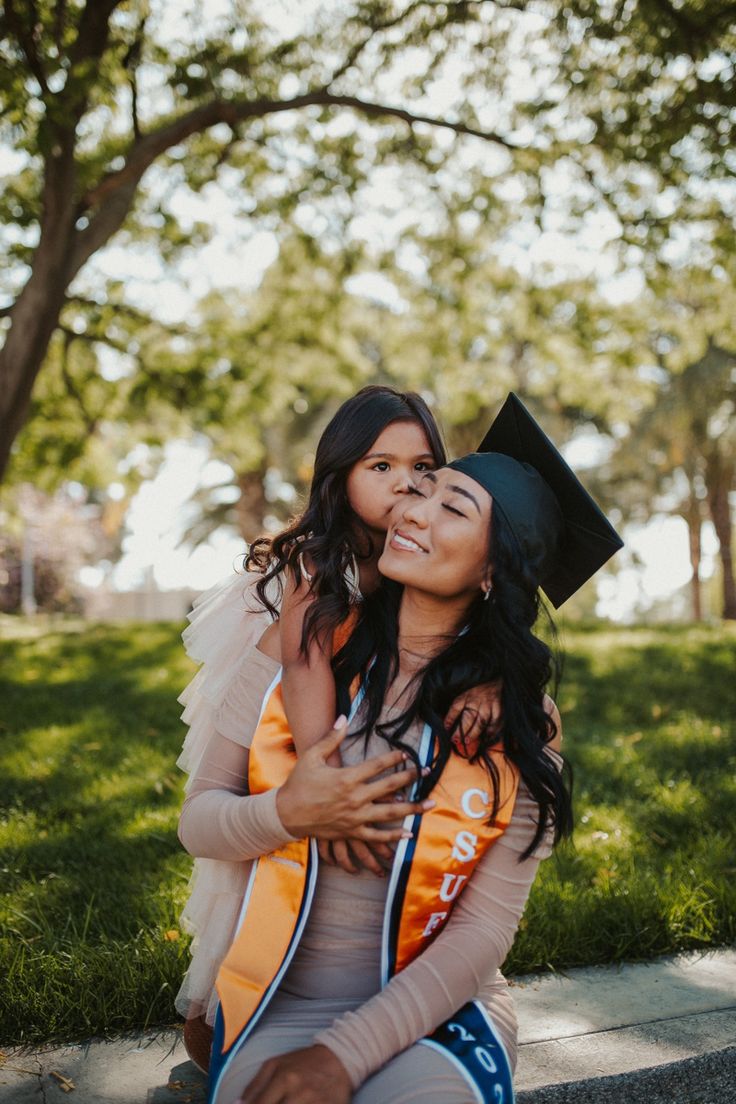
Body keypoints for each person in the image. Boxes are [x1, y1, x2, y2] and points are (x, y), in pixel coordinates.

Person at [178, 394, 624, 1103]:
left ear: (491, 573)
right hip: (277, 999)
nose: (412, 507)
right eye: (420, 491)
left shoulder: (517, 722)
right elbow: (197, 820)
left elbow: (481, 934)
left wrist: (342, 1057)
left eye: (451, 505)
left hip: (436, 1014)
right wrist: (289, 813)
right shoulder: (303, 640)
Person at [176, 386, 502, 1067]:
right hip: (292, 761)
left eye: (422, 468)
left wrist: (494, 681)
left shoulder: (436, 575)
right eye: (379, 466)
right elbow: (302, 684)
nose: (405, 484)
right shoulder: (315, 576)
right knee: (212, 1034)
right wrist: (328, 784)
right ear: (341, 475)